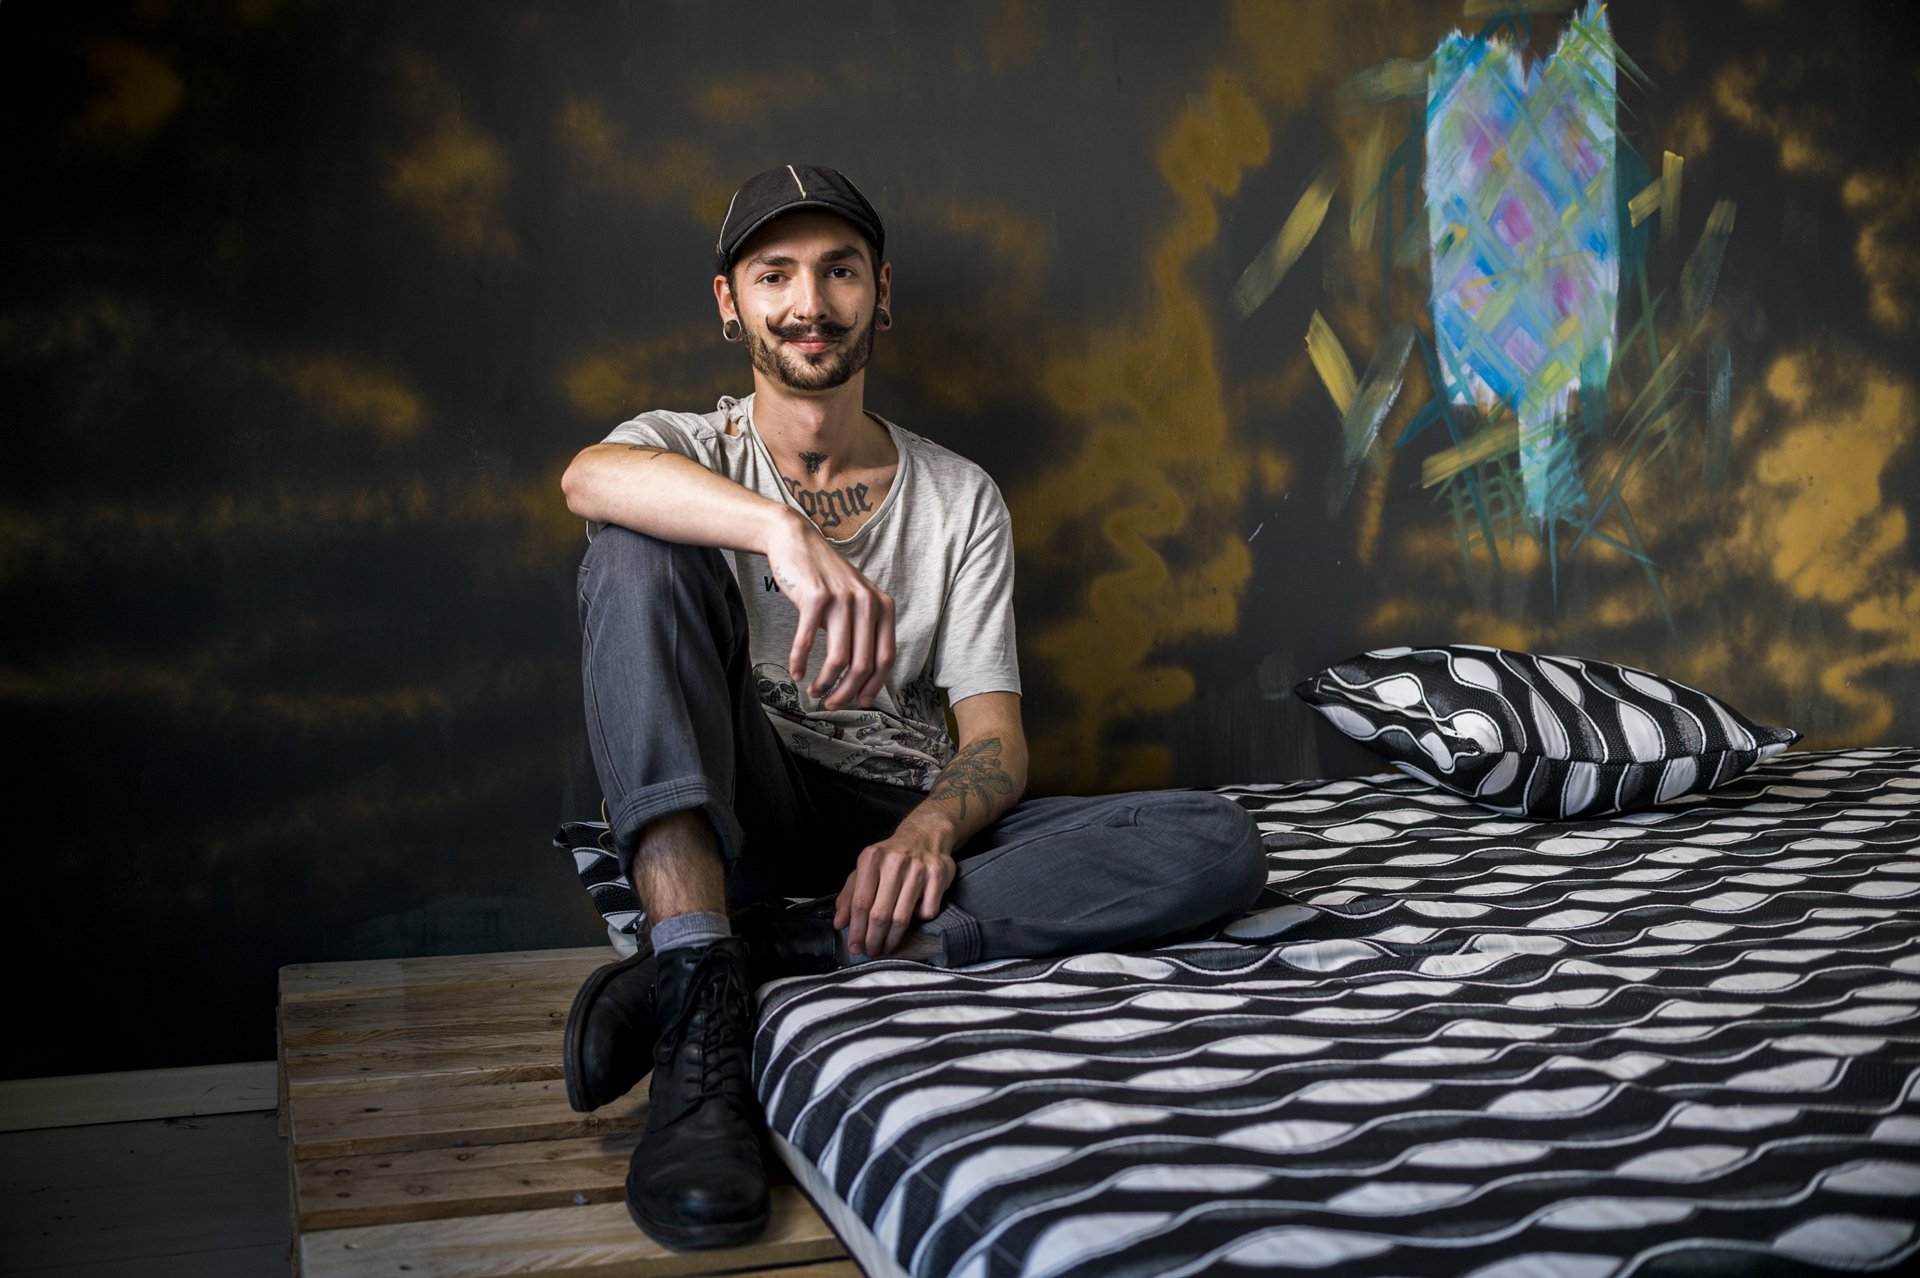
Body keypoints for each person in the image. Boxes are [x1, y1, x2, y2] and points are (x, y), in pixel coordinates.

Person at [557, 163, 1267, 1251]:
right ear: (728, 302)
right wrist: (780, 535)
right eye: (775, 275)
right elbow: (586, 480)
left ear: (880, 292)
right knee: (634, 557)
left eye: (839, 272)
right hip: (744, 788)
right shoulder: (690, 448)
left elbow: (993, 739)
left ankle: (763, 948)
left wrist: (933, 828)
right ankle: (702, 1019)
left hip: (890, 808)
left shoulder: (959, 496)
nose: (809, 303)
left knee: (1210, 843)